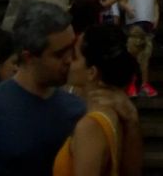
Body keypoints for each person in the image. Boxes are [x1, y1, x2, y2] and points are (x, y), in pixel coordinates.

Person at [0, 2, 85, 176]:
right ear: (29, 57)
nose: (70, 60)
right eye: (59, 54)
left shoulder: (78, 110)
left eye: (71, 49)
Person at [54, 25, 141, 176]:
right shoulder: (115, 114)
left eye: (74, 56)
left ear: (92, 72)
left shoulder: (90, 126)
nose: (67, 61)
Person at [120, 0, 159, 97]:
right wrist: (127, 8)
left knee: (145, 57)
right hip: (134, 26)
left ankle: (144, 83)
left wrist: (156, 16)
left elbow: (155, 3)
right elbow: (122, 0)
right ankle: (131, 82)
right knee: (133, 55)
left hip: (147, 25)